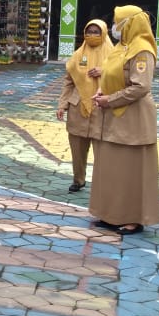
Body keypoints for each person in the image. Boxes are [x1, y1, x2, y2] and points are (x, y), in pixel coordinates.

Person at [89, 5, 159, 235]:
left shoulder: (141, 50)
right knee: (112, 168)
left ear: (129, 24)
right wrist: (102, 90)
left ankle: (132, 219)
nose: (113, 27)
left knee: (130, 170)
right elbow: (110, 75)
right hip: (113, 117)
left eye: (116, 22)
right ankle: (111, 215)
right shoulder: (122, 47)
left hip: (133, 119)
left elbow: (141, 87)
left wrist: (109, 100)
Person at [56, 20, 113, 193]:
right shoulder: (77, 55)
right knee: (77, 149)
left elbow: (123, 77)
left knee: (103, 151)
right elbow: (68, 82)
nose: (92, 35)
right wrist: (62, 105)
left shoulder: (114, 55)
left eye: (96, 32)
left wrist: (104, 71)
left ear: (104, 33)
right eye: (89, 31)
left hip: (102, 107)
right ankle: (78, 180)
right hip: (78, 107)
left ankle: (103, 184)